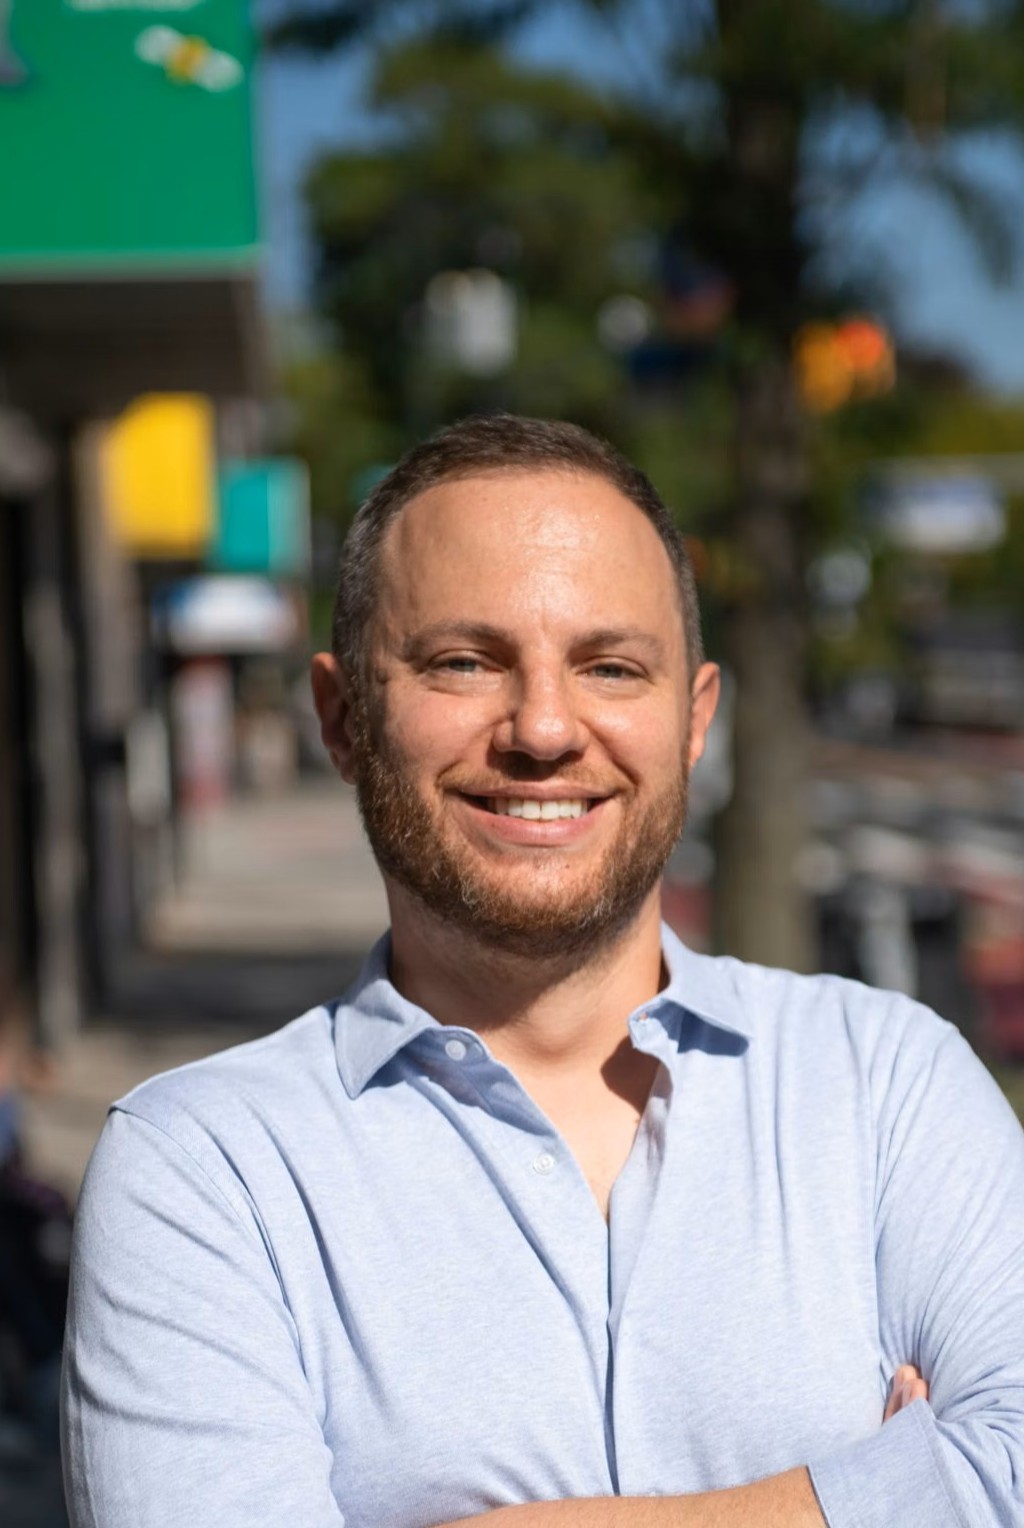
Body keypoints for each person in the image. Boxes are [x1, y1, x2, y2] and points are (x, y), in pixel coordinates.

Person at [62, 415, 1024, 1527]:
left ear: (693, 719)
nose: (545, 728)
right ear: (342, 717)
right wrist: (889, 1489)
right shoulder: (203, 1171)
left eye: (610, 667)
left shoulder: (888, 1082)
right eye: (464, 662)